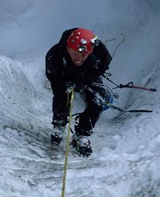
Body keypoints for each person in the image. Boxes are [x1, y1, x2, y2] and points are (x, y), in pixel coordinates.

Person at [45, 27, 113, 156]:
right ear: (68, 48)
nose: (78, 59)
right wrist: (67, 85)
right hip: (63, 74)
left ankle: (82, 134)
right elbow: (55, 80)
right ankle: (59, 123)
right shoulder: (55, 56)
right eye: (75, 54)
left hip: (87, 74)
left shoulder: (98, 50)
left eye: (83, 55)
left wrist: (85, 81)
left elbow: (104, 64)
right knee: (61, 96)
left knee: (97, 102)